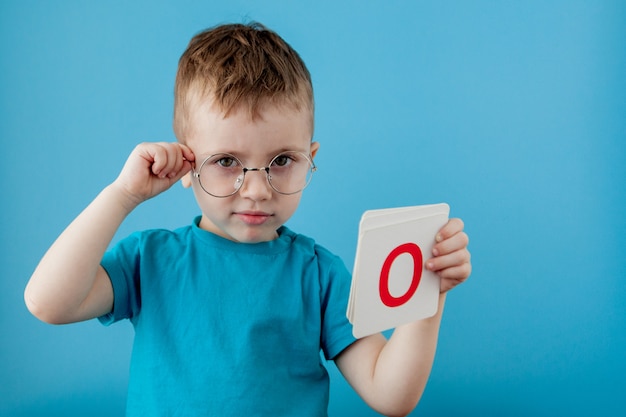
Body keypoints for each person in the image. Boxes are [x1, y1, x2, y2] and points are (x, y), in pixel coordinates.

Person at [24, 22, 471, 417]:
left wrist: (429, 295)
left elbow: (390, 395)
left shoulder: (318, 274)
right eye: (225, 161)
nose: (256, 189)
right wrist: (121, 196)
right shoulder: (150, 260)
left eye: (281, 160)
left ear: (309, 158)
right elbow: (49, 302)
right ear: (186, 163)